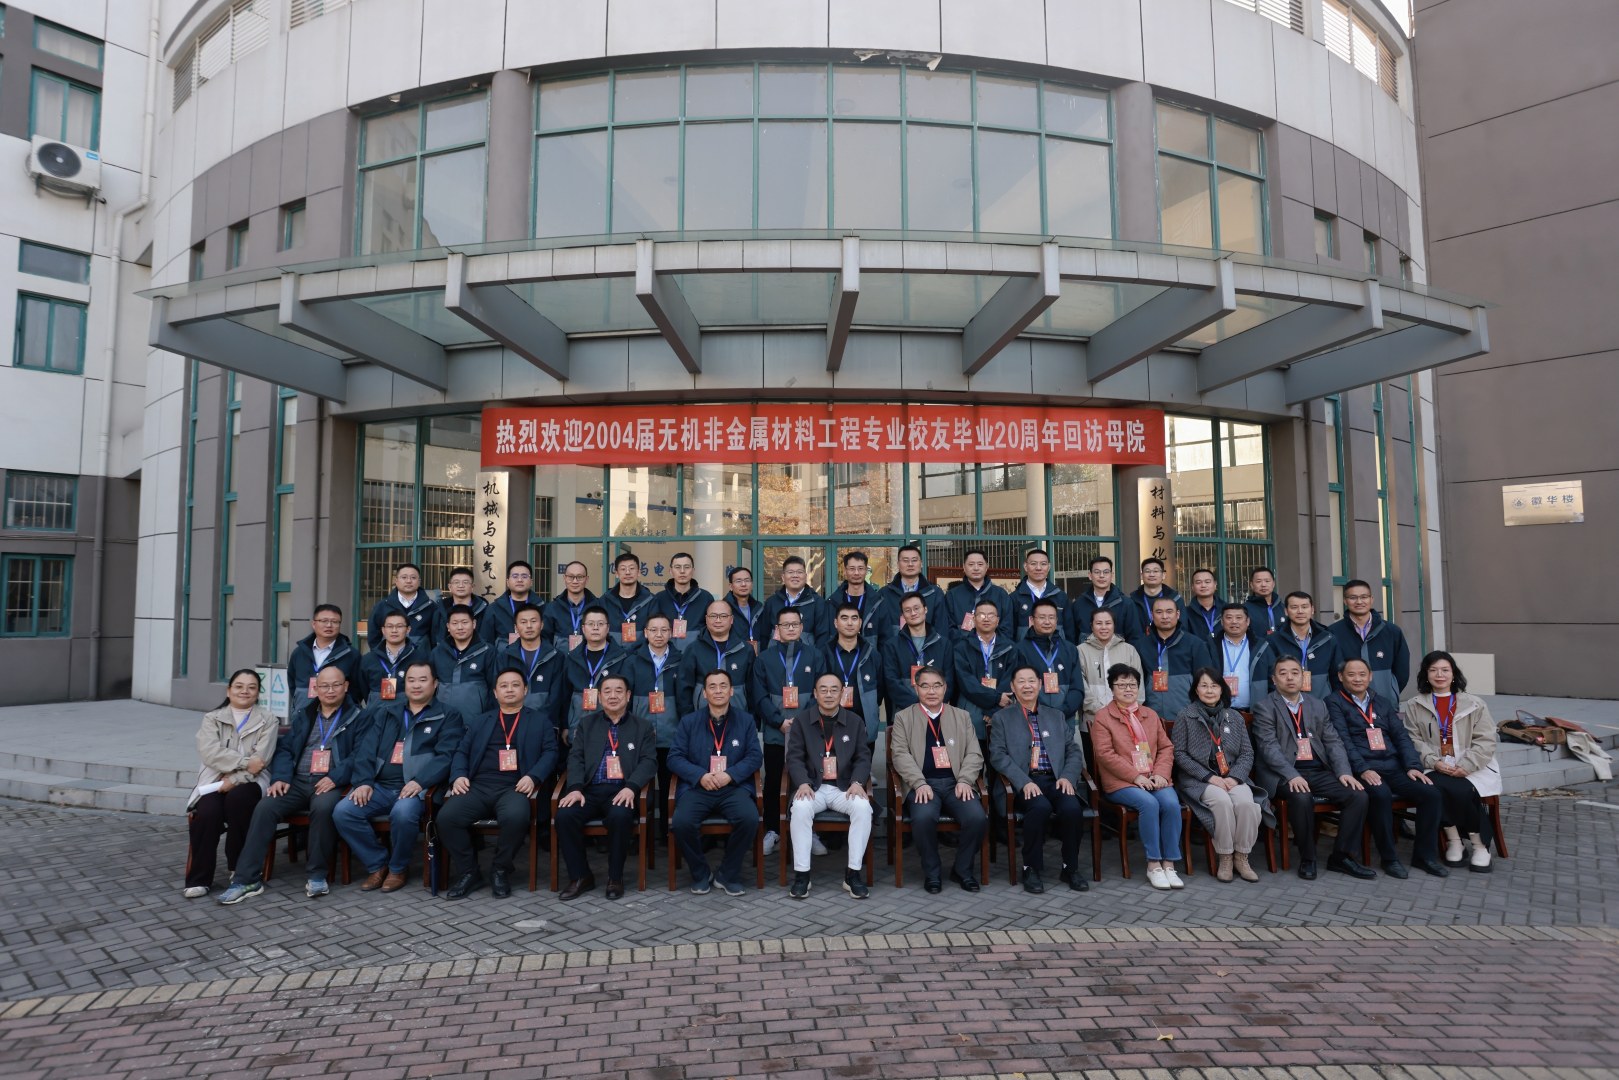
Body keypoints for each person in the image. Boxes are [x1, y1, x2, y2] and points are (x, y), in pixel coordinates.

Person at [216, 666, 369, 904]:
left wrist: (336, 777)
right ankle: (246, 879)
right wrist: (281, 777)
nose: (330, 690)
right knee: (265, 807)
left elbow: (359, 755)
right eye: (324, 686)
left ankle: (317, 875)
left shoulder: (358, 716)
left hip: (330, 783)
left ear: (346, 687)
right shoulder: (305, 714)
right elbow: (285, 749)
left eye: (336, 685)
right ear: (316, 688)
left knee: (324, 808)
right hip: (297, 781)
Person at [333, 661, 463, 894]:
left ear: (435, 684)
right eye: (411, 680)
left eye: (423, 680)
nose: (416, 685)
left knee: (402, 814)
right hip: (380, 786)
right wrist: (363, 782)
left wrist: (420, 781)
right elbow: (365, 751)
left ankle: (398, 868)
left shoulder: (448, 715)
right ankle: (377, 864)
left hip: (418, 789)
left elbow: (446, 756)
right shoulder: (386, 712)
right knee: (344, 812)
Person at [439, 668, 561, 899]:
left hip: (514, 787)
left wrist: (533, 776)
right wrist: (459, 775)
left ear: (525, 690)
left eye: (515, 685)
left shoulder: (539, 721)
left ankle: (500, 869)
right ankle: (469, 871)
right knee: (446, 818)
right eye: (503, 686)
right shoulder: (481, 721)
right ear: (495, 692)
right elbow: (462, 751)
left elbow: (551, 753)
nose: (509, 690)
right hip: (477, 786)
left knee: (516, 817)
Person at [1251, 656, 1376, 881]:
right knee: (1302, 797)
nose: (1290, 678)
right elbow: (1269, 749)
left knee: (1358, 795)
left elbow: (1333, 741)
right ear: (1274, 679)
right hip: (1282, 774)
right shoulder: (1264, 707)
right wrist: (1292, 775)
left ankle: (1341, 856)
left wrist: (1344, 772)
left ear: (1303, 677)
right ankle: (1308, 857)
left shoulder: (1317, 705)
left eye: (1295, 672)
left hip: (1317, 770)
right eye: (1283, 673)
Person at [1326, 658, 1449, 879]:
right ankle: (1389, 858)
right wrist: (1363, 769)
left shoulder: (1381, 702)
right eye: (1351, 674)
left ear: (1370, 676)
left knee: (1431, 793)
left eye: (1362, 674)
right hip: (1362, 769)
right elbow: (1342, 741)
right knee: (1380, 794)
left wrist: (1412, 766)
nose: (1357, 679)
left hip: (1393, 766)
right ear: (1341, 677)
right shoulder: (1333, 702)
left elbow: (1401, 737)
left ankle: (1424, 856)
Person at [555, 674, 657, 900]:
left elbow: (649, 762)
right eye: (607, 691)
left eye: (619, 691)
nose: (613, 696)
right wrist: (575, 788)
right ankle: (580, 876)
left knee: (620, 816)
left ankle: (615, 877)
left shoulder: (642, 726)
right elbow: (576, 758)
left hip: (623, 791)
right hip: (589, 791)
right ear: (599, 697)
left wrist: (631, 787)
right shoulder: (586, 724)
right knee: (564, 816)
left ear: (628, 696)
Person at [989, 666, 1088, 894]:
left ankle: (1070, 867)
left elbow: (1073, 751)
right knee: (1040, 807)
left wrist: (1067, 777)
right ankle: (1031, 867)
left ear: (1040, 685)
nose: (1027, 686)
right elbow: (998, 756)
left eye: (1032, 681)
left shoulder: (1056, 716)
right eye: (1021, 681)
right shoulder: (1002, 718)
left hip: (1055, 780)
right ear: (1012, 687)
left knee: (1072, 809)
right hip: (1023, 783)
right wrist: (1023, 781)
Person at [888, 667, 987, 893]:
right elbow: (899, 755)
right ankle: (932, 872)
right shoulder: (904, 717)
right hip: (923, 784)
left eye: (936, 686)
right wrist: (918, 782)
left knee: (977, 818)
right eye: (925, 686)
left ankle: (962, 870)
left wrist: (965, 780)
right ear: (916, 689)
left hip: (956, 783)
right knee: (923, 818)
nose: (931, 691)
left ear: (945, 688)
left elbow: (974, 753)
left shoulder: (961, 716)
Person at [1401, 651, 1500, 873]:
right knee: (1436, 787)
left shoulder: (1474, 704)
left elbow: (1486, 740)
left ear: (1454, 673)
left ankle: (1479, 845)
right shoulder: (1415, 705)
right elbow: (1413, 739)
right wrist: (1433, 761)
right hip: (1434, 764)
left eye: (1445, 670)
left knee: (1461, 788)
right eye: (1433, 670)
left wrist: (1467, 765)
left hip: (1472, 763)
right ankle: (1454, 840)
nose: (1440, 675)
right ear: (1426, 674)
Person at [183, 669, 278, 899]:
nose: (245, 691)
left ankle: (239, 868)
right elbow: (210, 753)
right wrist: (245, 762)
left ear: (258, 693)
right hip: (214, 780)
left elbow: (261, 761)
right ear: (228, 691)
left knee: (240, 800)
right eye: (239, 686)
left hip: (252, 781)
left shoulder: (268, 720)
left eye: (251, 687)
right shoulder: (212, 718)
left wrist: (235, 779)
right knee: (208, 812)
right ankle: (199, 879)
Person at [668, 670, 763, 895]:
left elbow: (754, 756)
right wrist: (700, 776)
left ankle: (727, 874)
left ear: (731, 691)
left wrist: (730, 774)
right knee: (681, 822)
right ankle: (701, 873)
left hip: (732, 787)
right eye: (712, 686)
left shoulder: (746, 720)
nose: (718, 691)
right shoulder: (689, 722)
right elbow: (674, 757)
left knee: (749, 819)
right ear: (704, 693)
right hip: (698, 787)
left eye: (723, 686)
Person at [1092, 665, 1184, 890]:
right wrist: (1135, 777)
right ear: (1112, 688)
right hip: (1122, 782)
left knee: (1171, 804)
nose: (1127, 689)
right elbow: (1105, 754)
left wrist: (1161, 774)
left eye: (1132, 685)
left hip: (1154, 777)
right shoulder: (1103, 717)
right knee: (1149, 804)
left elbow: (1166, 748)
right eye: (1121, 685)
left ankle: (1169, 863)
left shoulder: (1150, 715)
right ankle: (1154, 864)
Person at [784, 674, 874, 900]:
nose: (828, 694)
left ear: (842, 693)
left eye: (834, 689)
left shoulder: (855, 721)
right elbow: (794, 757)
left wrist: (857, 782)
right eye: (823, 690)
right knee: (800, 808)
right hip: (812, 787)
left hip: (844, 788)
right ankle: (802, 875)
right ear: (815, 693)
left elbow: (863, 757)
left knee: (863, 808)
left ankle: (853, 875)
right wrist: (802, 782)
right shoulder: (802, 721)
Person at [1172, 669, 1266, 883]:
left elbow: (1247, 753)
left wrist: (1235, 778)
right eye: (1204, 685)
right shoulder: (1185, 715)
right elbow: (1179, 754)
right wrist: (1209, 777)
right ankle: (1225, 857)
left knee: (1246, 804)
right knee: (1222, 802)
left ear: (1222, 689)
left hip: (1233, 777)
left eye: (1214, 686)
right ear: (1196, 689)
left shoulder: (1235, 717)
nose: (1209, 690)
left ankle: (1241, 856)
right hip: (1199, 780)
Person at [750, 607, 826, 858]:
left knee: (809, 779)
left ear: (802, 627)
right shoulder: (764, 659)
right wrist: (779, 721)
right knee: (774, 781)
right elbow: (759, 696)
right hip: (776, 732)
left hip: (809, 732)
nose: (791, 628)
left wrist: (802, 723)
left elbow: (821, 692)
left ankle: (810, 831)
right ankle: (773, 830)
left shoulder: (815, 656)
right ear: (777, 629)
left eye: (795, 624)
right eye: (785, 625)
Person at [627, 611, 688, 835]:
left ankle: (666, 831)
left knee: (669, 783)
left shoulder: (680, 660)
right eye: (653, 630)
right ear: (645, 633)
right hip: (640, 734)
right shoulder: (633, 661)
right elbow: (627, 698)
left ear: (671, 633)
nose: (659, 634)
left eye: (664, 630)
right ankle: (639, 833)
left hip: (671, 733)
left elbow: (684, 699)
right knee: (638, 781)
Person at [1327, 579, 1411, 704]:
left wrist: (1390, 691)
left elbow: (1402, 670)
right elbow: (1331, 672)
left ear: (1371, 599)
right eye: (1353, 597)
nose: (1359, 602)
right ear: (1345, 601)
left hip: (1385, 703)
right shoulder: (1333, 632)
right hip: (1346, 705)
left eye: (1364, 597)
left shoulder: (1391, 631)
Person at [1134, 595, 1213, 719]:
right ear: (1152, 615)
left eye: (1169, 611)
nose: (1164, 616)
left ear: (1178, 614)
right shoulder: (1141, 645)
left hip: (1189, 718)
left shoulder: (1195, 644)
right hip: (1150, 719)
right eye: (1159, 612)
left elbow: (1206, 682)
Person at [562, 606, 633, 741]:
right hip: (578, 727)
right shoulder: (572, 658)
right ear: (583, 629)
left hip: (614, 728)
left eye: (600, 624)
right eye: (591, 624)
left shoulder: (621, 658)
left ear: (608, 628)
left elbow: (629, 696)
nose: (595, 628)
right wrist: (565, 725)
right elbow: (565, 695)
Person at [951, 599, 1017, 742]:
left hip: (1002, 710)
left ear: (998, 620)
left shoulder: (1010, 648)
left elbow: (1010, 679)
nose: (986, 619)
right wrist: (995, 698)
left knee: (1001, 753)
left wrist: (993, 710)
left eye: (991, 615)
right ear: (974, 619)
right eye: (981, 615)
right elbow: (966, 682)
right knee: (972, 753)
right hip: (971, 711)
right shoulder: (961, 647)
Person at [1015, 598, 1084, 728]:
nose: (1047, 622)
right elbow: (1019, 688)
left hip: (1064, 720)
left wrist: (1062, 712)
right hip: (1033, 720)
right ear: (1032, 620)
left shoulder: (1070, 649)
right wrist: (1041, 712)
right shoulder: (1020, 650)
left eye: (1051, 617)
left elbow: (1077, 688)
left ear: (1057, 620)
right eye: (1042, 617)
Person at [678, 599, 755, 715]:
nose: (718, 620)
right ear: (706, 619)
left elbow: (753, 689)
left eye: (723, 616)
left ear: (731, 619)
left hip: (739, 718)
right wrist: (689, 719)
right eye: (713, 616)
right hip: (701, 718)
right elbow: (684, 688)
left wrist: (751, 719)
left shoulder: (745, 649)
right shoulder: (694, 649)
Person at [881, 591, 953, 715]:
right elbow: (891, 683)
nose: (913, 613)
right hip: (904, 713)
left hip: (937, 713)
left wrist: (933, 705)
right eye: (907, 610)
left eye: (916, 608)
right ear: (903, 615)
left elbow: (949, 681)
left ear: (925, 609)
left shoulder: (944, 644)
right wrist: (918, 706)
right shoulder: (891, 646)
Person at [494, 603, 566, 722]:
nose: (529, 626)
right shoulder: (505, 657)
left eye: (533, 621)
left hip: (546, 722)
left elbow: (557, 696)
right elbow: (499, 692)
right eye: (523, 622)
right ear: (516, 627)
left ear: (541, 625)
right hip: (511, 721)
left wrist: (539, 721)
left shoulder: (556, 656)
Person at [286, 604, 360, 716]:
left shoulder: (351, 655)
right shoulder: (299, 653)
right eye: (324, 621)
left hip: (338, 717)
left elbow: (357, 689)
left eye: (334, 622)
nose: (329, 625)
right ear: (314, 624)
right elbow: (292, 684)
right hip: (303, 715)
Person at [1078, 608, 1142, 734]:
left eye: (1108, 623)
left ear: (1114, 625)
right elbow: (1081, 685)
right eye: (1098, 623)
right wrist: (1100, 710)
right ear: (1091, 626)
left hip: (1126, 719)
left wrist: (1127, 710)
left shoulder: (1129, 650)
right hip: (1092, 719)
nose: (1103, 627)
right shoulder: (1081, 651)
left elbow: (1139, 685)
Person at [827, 602, 883, 747]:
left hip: (863, 723)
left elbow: (880, 690)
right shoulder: (824, 654)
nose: (850, 623)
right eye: (844, 618)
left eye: (854, 618)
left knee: (864, 761)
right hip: (830, 723)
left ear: (860, 623)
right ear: (836, 623)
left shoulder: (872, 655)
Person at [430, 604, 497, 722]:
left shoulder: (487, 651)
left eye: (465, 622)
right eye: (455, 623)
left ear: (474, 624)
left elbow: (494, 687)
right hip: (443, 721)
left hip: (478, 720)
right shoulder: (437, 652)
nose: (460, 627)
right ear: (448, 627)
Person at [1271, 591, 1340, 700]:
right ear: (1286, 611)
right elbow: (1270, 677)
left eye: (1304, 607)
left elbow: (1337, 676)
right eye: (1294, 607)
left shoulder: (1327, 639)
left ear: (1312, 610)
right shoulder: (1274, 640)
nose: (1300, 611)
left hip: (1322, 703)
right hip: (1284, 704)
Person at [1213, 603, 1277, 712]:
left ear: (1247, 621)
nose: (1234, 621)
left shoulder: (1262, 646)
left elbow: (1273, 678)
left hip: (1255, 711)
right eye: (1229, 617)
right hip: (1219, 711)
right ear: (1222, 622)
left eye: (1239, 617)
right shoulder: (1211, 646)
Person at [760, 555, 831, 651]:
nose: (795, 576)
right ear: (783, 577)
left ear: (805, 576)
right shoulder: (771, 602)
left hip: (807, 658)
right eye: (790, 572)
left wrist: (816, 658)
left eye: (799, 572)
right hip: (776, 658)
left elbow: (823, 637)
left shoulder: (817, 602)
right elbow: (764, 635)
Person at [367, 562, 443, 653]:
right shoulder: (382, 606)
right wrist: (380, 656)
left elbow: (436, 637)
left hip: (421, 660)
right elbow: (373, 637)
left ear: (419, 581)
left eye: (413, 577)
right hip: (389, 659)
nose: (408, 581)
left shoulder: (430, 607)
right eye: (404, 577)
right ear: (396, 580)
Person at [826, 550, 892, 650]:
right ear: (845, 571)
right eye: (852, 569)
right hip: (840, 658)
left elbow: (886, 640)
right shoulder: (832, 602)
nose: (856, 573)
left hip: (870, 658)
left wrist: (877, 659)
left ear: (866, 571)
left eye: (860, 568)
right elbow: (826, 639)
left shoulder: (878, 602)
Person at [356, 611, 423, 707]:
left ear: (408, 629)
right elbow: (363, 690)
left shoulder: (420, 658)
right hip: (376, 713)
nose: (394, 630)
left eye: (399, 626)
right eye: (390, 626)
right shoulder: (369, 659)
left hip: (408, 713)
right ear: (383, 630)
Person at [651, 551, 713, 654]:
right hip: (666, 656)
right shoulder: (659, 598)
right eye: (677, 567)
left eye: (687, 567)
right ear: (671, 571)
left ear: (693, 570)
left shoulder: (705, 597)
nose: (682, 571)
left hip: (697, 655)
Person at [943, 549, 1012, 639]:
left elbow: (1007, 628)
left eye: (980, 564)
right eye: (971, 564)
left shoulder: (1001, 594)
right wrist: (965, 643)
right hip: (962, 646)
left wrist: (990, 642)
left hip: (995, 646)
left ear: (987, 566)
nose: (976, 568)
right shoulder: (952, 595)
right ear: (964, 567)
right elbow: (948, 628)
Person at [878, 543, 946, 634]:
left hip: (927, 642)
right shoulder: (884, 593)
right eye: (905, 560)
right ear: (898, 564)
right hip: (894, 643)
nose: (910, 564)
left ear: (921, 564)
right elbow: (881, 629)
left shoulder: (935, 593)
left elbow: (942, 628)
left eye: (914, 560)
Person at [1009, 547, 1068, 642]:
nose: (1038, 568)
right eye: (1033, 564)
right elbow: (1010, 632)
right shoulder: (1014, 598)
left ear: (1049, 567)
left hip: (1056, 649)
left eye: (1043, 564)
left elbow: (1069, 631)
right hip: (1025, 649)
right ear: (1025, 566)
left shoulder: (1060, 596)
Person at [1066, 554, 1129, 643]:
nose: (1101, 576)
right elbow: (1072, 638)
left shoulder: (1126, 604)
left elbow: (1134, 636)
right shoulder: (1078, 605)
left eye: (1106, 572)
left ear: (1112, 575)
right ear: (1090, 575)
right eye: (1097, 572)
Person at [602, 551, 658, 648]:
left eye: (632, 568)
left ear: (639, 572)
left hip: (641, 655)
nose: (627, 572)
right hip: (611, 655)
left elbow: (654, 631)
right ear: (616, 573)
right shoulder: (605, 601)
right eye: (623, 569)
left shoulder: (651, 600)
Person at [480, 560, 538, 647]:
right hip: (503, 655)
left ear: (531, 582)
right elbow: (486, 641)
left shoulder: (541, 607)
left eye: (524, 576)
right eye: (515, 576)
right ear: (508, 582)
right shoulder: (494, 609)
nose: (519, 580)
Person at [542, 561, 596, 652]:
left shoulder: (597, 606)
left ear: (586, 579)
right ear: (564, 578)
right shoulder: (552, 608)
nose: (575, 581)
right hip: (560, 660)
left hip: (590, 659)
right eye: (571, 577)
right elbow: (545, 639)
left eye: (580, 577)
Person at [1125, 557, 1182, 640]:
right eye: (1147, 571)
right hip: (1139, 646)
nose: (1151, 574)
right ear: (1141, 575)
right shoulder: (1132, 601)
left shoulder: (1175, 599)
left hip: (1169, 644)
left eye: (1156, 571)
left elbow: (1182, 628)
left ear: (1163, 575)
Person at [438, 566, 489, 641]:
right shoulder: (440, 609)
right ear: (450, 587)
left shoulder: (484, 609)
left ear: (472, 587)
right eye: (456, 582)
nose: (461, 586)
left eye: (465, 582)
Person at [723, 565, 765, 649]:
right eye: (738, 581)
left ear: (752, 584)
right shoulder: (723, 609)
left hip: (756, 655)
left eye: (747, 580)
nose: (743, 584)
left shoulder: (759, 608)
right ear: (731, 586)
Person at [1182, 568, 1226, 646]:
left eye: (1207, 582)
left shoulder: (1226, 610)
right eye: (1198, 582)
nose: (1203, 585)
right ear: (1192, 587)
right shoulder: (1185, 613)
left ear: (1215, 584)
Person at [1243, 567, 1285, 638]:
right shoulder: (1244, 609)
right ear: (1251, 585)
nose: (1263, 585)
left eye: (1267, 581)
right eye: (1258, 581)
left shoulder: (1284, 608)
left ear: (1273, 584)